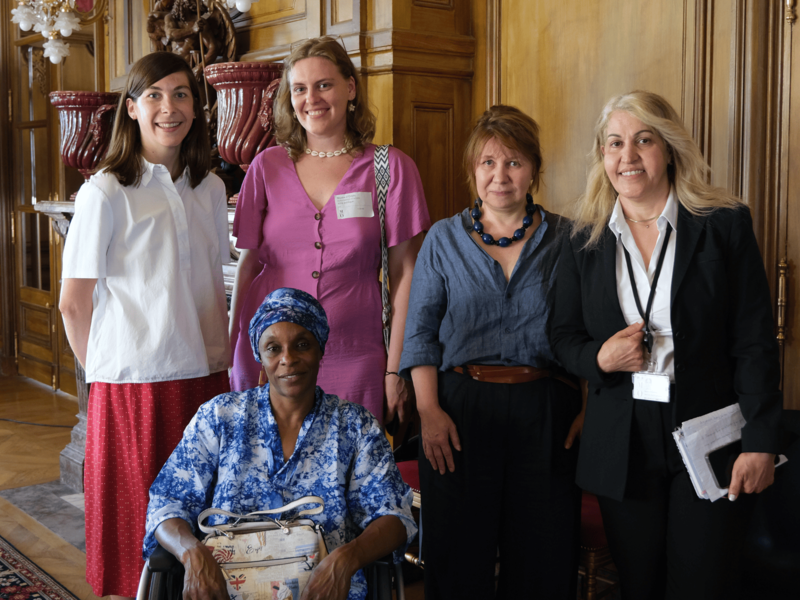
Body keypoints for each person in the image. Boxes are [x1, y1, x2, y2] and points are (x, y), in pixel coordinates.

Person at [549, 91, 782, 600]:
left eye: (643, 140)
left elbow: (754, 341)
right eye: (614, 143)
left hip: (709, 427)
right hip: (622, 434)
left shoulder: (724, 224)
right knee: (639, 584)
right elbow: (562, 338)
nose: (627, 155)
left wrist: (762, 438)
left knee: (703, 582)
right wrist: (599, 359)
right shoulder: (581, 238)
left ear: (669, 148)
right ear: (601, 155)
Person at [58, 52, 231, 598]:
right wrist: (108, 372)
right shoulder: (105, 191)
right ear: (131, 109)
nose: (168, 107)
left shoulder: (210, 190)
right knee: (140, 536)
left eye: (180, 94)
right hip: (134, 387)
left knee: (205, 529)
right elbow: (73, 302)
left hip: (205, 379)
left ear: (196, 108)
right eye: (153, 95)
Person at [399, 105, 584, 599]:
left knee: (543, 557)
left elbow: (587, 331)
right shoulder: (442, 238)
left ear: (534, 170)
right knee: (458, 556)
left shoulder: (570, 238)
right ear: (471, 170)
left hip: (546, 407)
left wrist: (588, 406)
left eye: (514, 162)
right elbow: (419, 332)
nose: (500, 175)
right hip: (458, 408)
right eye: (487, 162)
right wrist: (428, 410)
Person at [145, 288, 417, 600]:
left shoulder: (355, 426)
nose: (288, 359)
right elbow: (166, 503)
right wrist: (191, 553)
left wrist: (346, 560)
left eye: (302, 344)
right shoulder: (220, 417)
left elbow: (394, 515)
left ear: (320, 349)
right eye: (274, 348)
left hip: (326, 591)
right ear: (260, 356)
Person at [228, 36, 430, 423]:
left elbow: (406, 275)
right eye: (300, 88)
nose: (312, 98)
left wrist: (395, 367)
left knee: (349, 478)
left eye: (324, 85)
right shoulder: (265, 167)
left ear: (350, 88)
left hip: (355, 354)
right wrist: (234, 347)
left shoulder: (390, 168)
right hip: (270, 356)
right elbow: (248, 264)